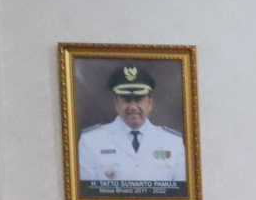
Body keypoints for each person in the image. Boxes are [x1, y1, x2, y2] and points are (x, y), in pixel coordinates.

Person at [75, 62, 187, 190]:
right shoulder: (91, 141)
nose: (133, 107)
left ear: (150, 104)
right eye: (126, 100)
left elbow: (180, 193)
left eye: (139, 99)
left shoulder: (173, 142)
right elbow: (87, 193)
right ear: (116, 104)